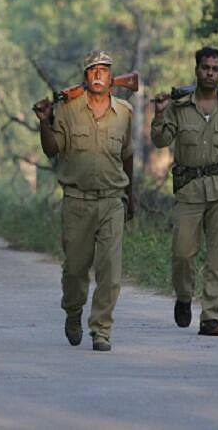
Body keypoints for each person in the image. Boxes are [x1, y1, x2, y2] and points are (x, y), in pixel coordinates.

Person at [151, 46, 218, 337]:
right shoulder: (179, 107)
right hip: (189, 190)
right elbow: (160, 140)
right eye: (205, 68)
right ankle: (184, 296)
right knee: (183, 253)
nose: (209, 73)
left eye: (215, 69)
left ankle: (210, 315)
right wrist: (160, 114)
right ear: (196, 70)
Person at [33, 50, 134, 352]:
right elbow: (53, 150)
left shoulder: (125, 112)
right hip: (77, 201)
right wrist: (44, 123)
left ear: (112, 76)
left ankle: (101, 330)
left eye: (104, 70)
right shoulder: (68, 110)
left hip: (112, 200)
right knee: (75, 270)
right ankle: (73, 312)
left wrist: (133, 195)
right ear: (86, 76)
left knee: (110, 272)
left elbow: (127, 156)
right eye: (93, 71)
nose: (99, 75)